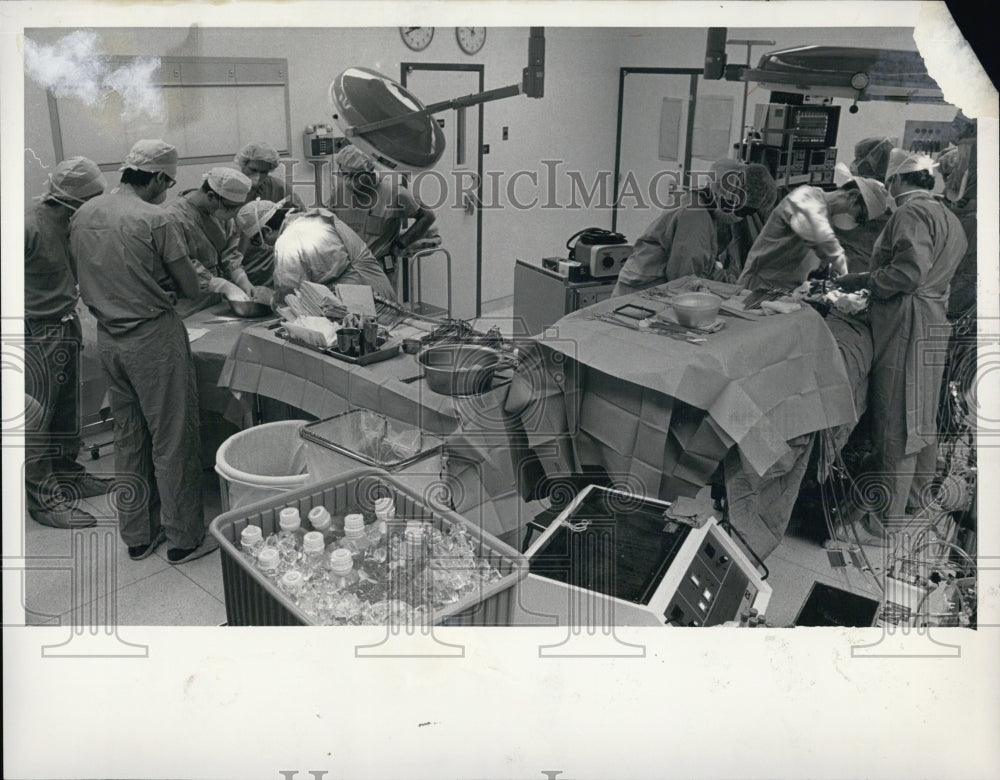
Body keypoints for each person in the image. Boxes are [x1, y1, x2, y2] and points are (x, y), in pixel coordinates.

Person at [71, 139, 216, 564]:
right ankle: (184, 537)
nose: (168, 191)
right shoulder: (155, 219)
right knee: (172, 438)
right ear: (155, 177)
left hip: (109, 340)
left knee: (128, 435)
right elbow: (191, 287)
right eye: (168, 182)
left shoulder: (83, 214)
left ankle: (138, 533)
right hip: (153, 339)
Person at [837, 150, 968, 530]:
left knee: (896, 417)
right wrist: (865, 279)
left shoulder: (910, 213)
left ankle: (884, 519)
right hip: (932, 319)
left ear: (896, 181)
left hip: (906, 321)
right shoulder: (947, 216)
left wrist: (867, 283)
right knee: (922, 417)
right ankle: (913, 500)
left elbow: (909, 272)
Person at [24, 156, 110, 528]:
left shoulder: (72, 226)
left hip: (63, 325)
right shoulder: (27, 227)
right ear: (74, 200)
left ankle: (69, 475)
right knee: (36, 421)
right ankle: (44, 501)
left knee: (65, 413)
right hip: (31, 335)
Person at [612, 161, 777, 296]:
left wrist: (735, 288)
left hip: (652, 289)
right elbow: (683, 280)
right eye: (743, 211)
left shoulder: (704, 209)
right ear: (728, 195)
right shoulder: (694, 216)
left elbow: (705, 266)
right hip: (640, 294)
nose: (740, 218)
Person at [737, 175, 890, 291]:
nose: (857, 222)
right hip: (759, 285)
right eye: (860, 216)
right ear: (852, 195)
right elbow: (821, 238)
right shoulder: (805, 196)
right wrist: (844, 273)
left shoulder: (826, 215)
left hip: (785, 289)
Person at [326, 145, 437, 284]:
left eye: (354, 176)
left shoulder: (394, 193)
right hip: (348, 270)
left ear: (368, 171)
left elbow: (427, 216)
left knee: (382, 305)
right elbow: (328, 220)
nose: (349, 181)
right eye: (344, 174)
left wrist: (401, 244)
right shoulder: (340, 191)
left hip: (379, 271)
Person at [163, 167, 257, 313]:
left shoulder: (220, 214)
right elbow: (180, 262)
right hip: (188, 300)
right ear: (211, 196)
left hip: (214, 300)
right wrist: (221, 285)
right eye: (231, 207)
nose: (233, 214)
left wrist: (240, 277)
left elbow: (229, 251)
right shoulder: (172, 217)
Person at [271, 205, 398, 301]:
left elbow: (289, 291)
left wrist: (271, 300)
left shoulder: (287, 240)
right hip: (376, 282)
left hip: (355, 296)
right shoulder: (315, 219)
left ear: (266, 230)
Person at [836, 137, 895, 273]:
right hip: (877, 271)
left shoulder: (863, 193)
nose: (855, 163)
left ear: (871, 160)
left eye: (859, 158)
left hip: (855, 268)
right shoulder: (892, 190)